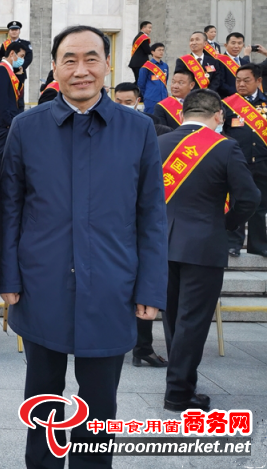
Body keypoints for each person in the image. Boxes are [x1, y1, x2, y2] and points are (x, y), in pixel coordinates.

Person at [0, 25, 168, 469]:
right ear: (54, 67)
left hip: (112, 287)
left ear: (107, 64)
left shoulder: (138, 130)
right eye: (69, 59)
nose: (81, 70)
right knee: (42, 401)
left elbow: (151, 214)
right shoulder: (26, 127)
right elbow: (9, 209)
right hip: (42, 286)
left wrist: (151, 288)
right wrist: (8, 278)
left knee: (99, 408)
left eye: (91, 58)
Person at [159, 88, 258, 411]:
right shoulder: (225, 147)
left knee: (173, 317)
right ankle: (178, 391)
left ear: (183, 113)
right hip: (203, 246)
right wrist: (225, 225)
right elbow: (249, 198)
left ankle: (179, 384)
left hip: (161, 244)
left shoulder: (158, 144)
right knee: (194, 320)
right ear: (219, 116)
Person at [112, 83, 170, 368]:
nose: (123, 105)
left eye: (128, 101)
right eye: (118, 100)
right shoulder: (104, 126)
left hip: (138, 224)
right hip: (113, 224)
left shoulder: (150, 128)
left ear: (138, 101)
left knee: (141, 290)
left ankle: (142, 347)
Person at [222, 64, 267, 258]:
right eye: (238, 80)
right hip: (238, 162)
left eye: (246, 80)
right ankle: (233, 243)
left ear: (258, 81)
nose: (241, 84)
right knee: (237, 202)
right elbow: (220, 131)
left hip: (263, 162)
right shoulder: (227, 104)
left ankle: (258, 245)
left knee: (261, 205)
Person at [0, 40, 25, 166]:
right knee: (1, 158)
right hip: (4, 124)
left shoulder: (9, 71)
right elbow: (2, 100)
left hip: (7, 122)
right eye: (21, 56)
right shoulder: (1, 70)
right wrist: (9, 122)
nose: (22, 60)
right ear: (12, 53)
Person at [0, 21, 33, 109]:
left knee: (19, 96)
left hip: (19, 73)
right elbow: (0, 57)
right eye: (12, 30)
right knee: (8, 94)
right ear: (9, 31)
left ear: (19, 31)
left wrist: (21, 67)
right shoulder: (5, 44)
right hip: (7, 73)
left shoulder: (25, 43)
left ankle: (20, 115)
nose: (14, 32)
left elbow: (29, 58)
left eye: (16, 30)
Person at [137, 42, 169, 114]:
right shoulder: (146, 66)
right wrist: (147, 95)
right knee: (150, 117)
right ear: (152, 52)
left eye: (162, 50)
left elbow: (165, 80)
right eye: (159, 50)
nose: (161, 52)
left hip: (163, 97)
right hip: (151, 98)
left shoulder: (165, 66)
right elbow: (141, 83)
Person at [216, 32, 250, 98]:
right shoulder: (218, 61)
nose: (236, 46)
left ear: (243, 45)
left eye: (239, 43)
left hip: (244, 99)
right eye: (233, 43)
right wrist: (238, 93)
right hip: (226, 100)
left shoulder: (245, 63)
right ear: (226, 45)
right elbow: (220, 83)